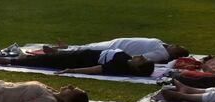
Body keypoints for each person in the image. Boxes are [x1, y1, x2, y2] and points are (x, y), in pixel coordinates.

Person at [0, 49, 155, 76]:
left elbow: (95, 69)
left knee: (47, 61)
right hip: (83, 53)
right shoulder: (126, 59)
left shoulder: (119, 67)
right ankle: (29, 58)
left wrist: (72, 71)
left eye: (142, 60)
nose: (140, 56)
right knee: (49, 59)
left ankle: (10, 61)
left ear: (138, 68)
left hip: (79, 60)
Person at [44, 37, 189, 64]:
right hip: (117, 42)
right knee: (90, 46)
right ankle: (66, 48)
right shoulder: (162, 45)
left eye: (176, 47)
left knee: (88, 51)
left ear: (175, 54)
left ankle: (60, 53)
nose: (174, 44)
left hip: (117, 49)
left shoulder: (161, 54)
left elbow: (141, 58)